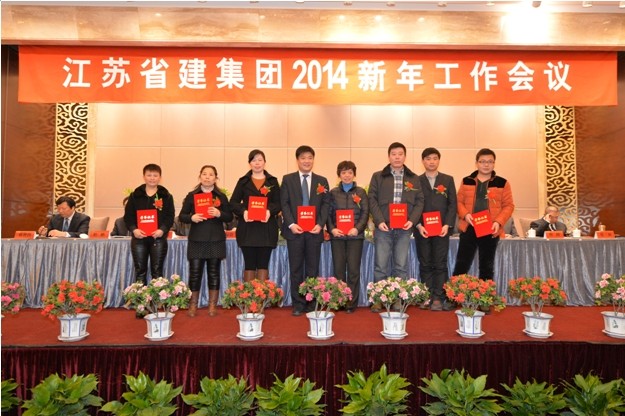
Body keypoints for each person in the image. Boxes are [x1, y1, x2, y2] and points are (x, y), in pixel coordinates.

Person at [368, 142, 424, 312]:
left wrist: (412, 220)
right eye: (394, 154)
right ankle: (379, 299)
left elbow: (420, 201)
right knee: (381, 266)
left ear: (405, 157)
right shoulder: (378, 176)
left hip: (404, 228)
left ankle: (399, 300)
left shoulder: (413, 178)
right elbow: (372, 199)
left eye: (400, 154)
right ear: (389, 156)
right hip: (383, 227)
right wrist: (379, 220)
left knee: (401, 266)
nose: (397, 157)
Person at [280, 145, 330, 316]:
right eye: (303, 158)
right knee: (296, 269)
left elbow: (326, 205)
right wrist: (291, 224)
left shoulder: (322, 181)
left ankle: (311, 302)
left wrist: (320, 224)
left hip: (314, 232)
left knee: (312, 269)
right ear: (297, 160)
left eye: (310, 158)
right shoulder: (288, 179)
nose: (306, 161)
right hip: (295, 232)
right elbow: (284, 204)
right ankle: (298, 303)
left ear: (313, 160)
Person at [452, 148, 515, 285]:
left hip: (490, 228)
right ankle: (454, 294)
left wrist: (498, 222)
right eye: (482, 161)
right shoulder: (467, 181)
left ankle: (485, 295)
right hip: (469, 226)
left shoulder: (502, 183)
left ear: (494, 163)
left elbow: (509, 206)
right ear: (476, 163)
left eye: (490, 162)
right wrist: (465, 214)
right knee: (462, 264)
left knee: (487, 266)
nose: (486, 164)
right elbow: (458, 202)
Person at [179, 165, 233, 317]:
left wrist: (219, 213)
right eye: (204, 174)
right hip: (197, 239)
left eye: (211, 174)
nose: (207, 177)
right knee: (195, 273)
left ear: (216, 178)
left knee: (214, 273)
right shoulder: (192, 195)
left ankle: (212, 305)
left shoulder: (221, 196)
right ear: (200, 176)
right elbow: (182, 216)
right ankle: (193, 305)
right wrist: (191, 217)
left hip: (215, 239)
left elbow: (229, 216)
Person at [413, 148, 457, 311]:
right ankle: (427, 295)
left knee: (440, 263)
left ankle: (438, 296)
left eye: (434, 158)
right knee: (425, 262)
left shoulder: (448, 180)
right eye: (428, 158)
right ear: (422, 161)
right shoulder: (416, 181)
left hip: (441, 229)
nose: (431, 161)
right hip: (422, 229)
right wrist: (418, 225)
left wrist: (447, 224)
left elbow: (452, 204)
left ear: (439, 160)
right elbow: (413, 205)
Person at [230, 149, 281, 283]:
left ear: (265, 162)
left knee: (263, 264)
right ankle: (249, 294)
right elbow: (233, 203)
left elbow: (279, 203)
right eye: (254, 160)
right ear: (249, 163)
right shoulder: (243, 181)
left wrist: (269, 211)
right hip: (248, 229)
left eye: (260, 160)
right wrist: (244, 211)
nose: (257, 163)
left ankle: (262, 295)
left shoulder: (272, 181)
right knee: (249, 264)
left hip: (267, 228)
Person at [123, 163, 175, 292]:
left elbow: (170, 216)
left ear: (160, 177)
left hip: (158, 238)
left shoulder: (166, 196)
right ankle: (140, 301)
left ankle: (157, 301)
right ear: (144, 177)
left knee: (157, 271)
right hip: (139, 239)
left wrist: (162, 230)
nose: (152, 178)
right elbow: (128, 216)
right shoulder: (135, 195)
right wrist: (134, 229)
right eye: (149, 175)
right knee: (140, 271)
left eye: (155, 175)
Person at [327, 161, 369, 313]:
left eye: (350, 172)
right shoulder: (333, 193)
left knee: (353, 271)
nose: (347, 175)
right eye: (343, 172)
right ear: (339, 175)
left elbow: (365, 212)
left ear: (354, 174)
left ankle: (351, 303)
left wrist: (357, 229)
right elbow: (327, 214)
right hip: (337, 237)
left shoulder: (361, 192)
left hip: (355, 238)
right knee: (338, 271)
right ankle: (339, 301)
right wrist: (332, 229)